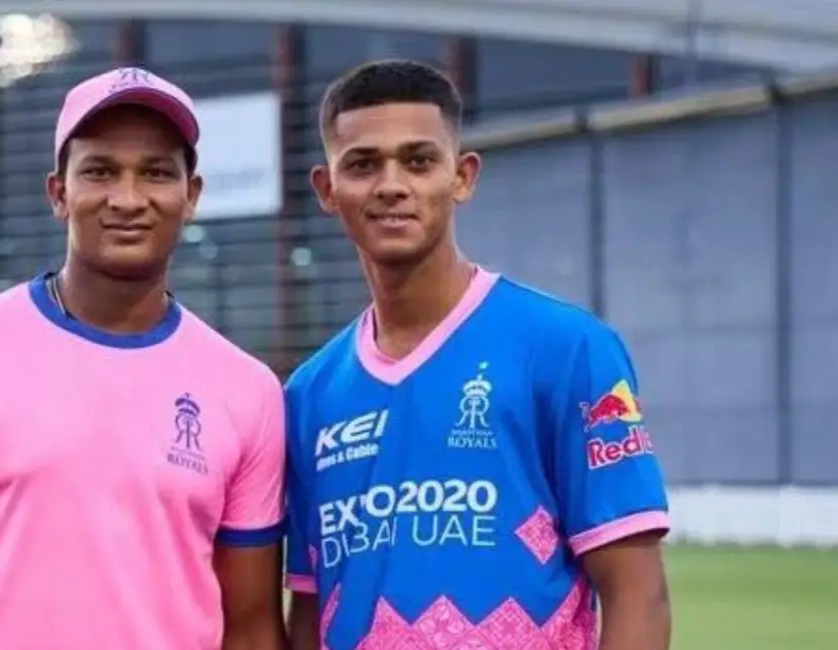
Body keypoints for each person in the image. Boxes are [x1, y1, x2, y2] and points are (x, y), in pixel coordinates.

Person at [0, 67, 287, 650]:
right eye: (99, 171)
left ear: (192, 196)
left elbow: (252, 627)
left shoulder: (248, 391)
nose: (127, 199)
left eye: (155, 173)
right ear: (58, 193)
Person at [283, 59, 672, 650]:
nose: (391, 185)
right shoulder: (309, 395)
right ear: (326, 189)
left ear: (462, 177)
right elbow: (309, 615)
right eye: (362, 165)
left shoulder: (567, 349)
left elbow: (637, 594)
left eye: (419, 161)